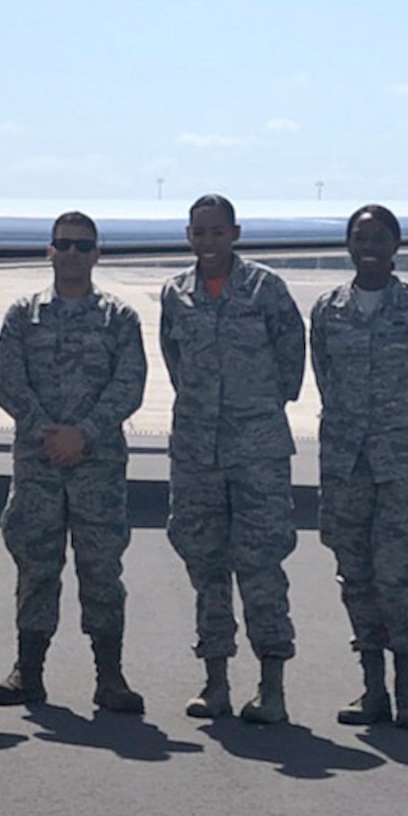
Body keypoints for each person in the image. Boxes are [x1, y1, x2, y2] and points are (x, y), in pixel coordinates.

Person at [0, 212, 148, 713]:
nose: (73, 254)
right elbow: (10, 384)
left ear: (97, 254)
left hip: (97, 467)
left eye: (83, 246)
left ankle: (110, 677)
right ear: (49, 251)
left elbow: (129, 386)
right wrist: (48, 433)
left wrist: (84, 434)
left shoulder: (119, 319)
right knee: (36, 567)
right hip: (38, 466)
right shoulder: (22, 315)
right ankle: (27, 673)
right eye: (64, 245)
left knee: (101, 570)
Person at [309, 204, 408, 730]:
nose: (367, 245)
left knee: (399, 574)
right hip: (347, 464)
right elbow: (324, 377)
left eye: (377, 237)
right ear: (348, 245)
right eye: (358, 237)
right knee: (356, 575)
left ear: (396, 245)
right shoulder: (328, 309)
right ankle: (373, 689)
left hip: (406, 466)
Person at [158, 193, 306, 724]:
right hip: (198, 452)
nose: (209, 242)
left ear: (235, 234)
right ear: (188, 236)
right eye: (200, 233)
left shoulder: (266, 289)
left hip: (257, 451)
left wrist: (257, 408)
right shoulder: (176, 294)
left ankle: (272, 687)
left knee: (262, 563)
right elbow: (175, 362)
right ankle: (215, 681)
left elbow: (292, 359)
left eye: (218, 232)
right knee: (205, 563)